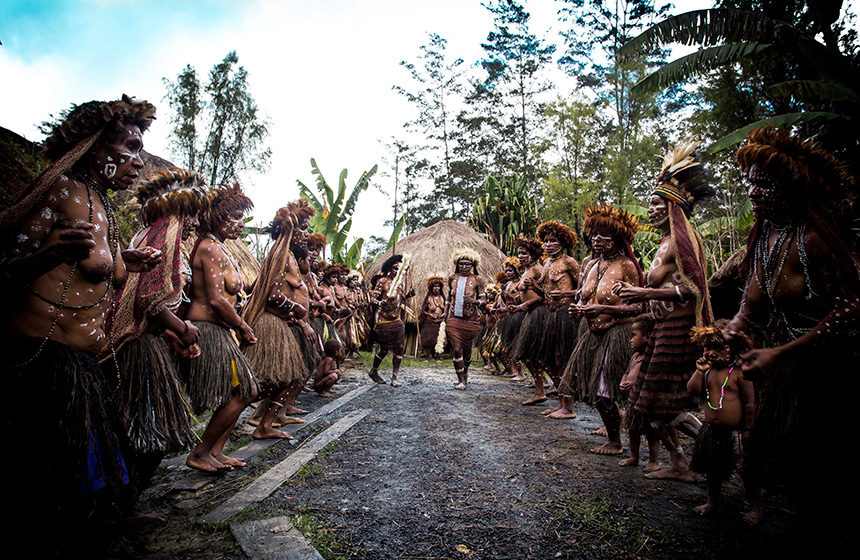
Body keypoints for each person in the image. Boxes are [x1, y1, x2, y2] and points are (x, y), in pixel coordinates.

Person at [0, 95, 161, 543]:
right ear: (96, 148)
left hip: (84, 361)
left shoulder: (104, 206)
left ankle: (103, 523)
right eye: (130, 148)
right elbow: (6, 266)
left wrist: (127, 259)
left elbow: (99, 271)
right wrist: (52, 253)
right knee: (53, 488)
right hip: (44, 361)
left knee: (106, 464)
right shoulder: (60, 191)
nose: (138, 162)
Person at [725, 127, 859, 538]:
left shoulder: (815, 238)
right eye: (750, 184)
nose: (754, 192)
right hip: (789, 366)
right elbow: (752, 292)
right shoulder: (765, 234)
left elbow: (851, 307)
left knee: (821, 468)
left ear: (789, 187)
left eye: (764, 184)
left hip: (831, 368)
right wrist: (737, 323)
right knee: (787, 467)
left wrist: (782, 352)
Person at [107, 169, 207, 492]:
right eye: (192, 214)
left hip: (140, 341)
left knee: (140, 431)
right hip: (136, 346)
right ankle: (123, 504)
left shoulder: (149, 233)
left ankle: (121, 503)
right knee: (153, 432)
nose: (194, 223)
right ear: (180, 209)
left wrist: (172, 335)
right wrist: (183, 329)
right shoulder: (165, 232)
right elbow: (148, 300)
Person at [619, 141, 714, 480]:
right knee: (647, 406)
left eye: (657, 203)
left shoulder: (682, 241)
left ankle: (717, 446)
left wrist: (642, 290)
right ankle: (680, 464)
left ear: (674, 206)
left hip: (678, 331)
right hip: (661, 331)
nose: (651, 209)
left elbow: (695, 288)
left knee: (666, 404)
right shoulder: (664, 242)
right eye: (650, 203)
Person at [179, 183, 258, 472]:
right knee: (243, 391)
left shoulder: (219, 247)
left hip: (220, 330)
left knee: (240, 391)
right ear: (219, 217)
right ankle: (200, 452)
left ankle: (216, 450)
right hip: (208, 329)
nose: (240, 223)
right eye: (235, 216)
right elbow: (214, 298)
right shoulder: (209, 247)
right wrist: (241, 326)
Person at [560, 205, 644, 452]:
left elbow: (638, 307)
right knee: (598, 392)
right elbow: (583, 297)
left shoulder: (627, 265)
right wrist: (579, 308)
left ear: (618, 238)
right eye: (594, 234)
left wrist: (606, 312)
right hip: (592, 335)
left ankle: (625, 441)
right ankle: (615, 439)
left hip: (617, 334)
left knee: (610, 390)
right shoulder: (593, 266)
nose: (597, 240)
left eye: (604, 235)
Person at [241, 199, 317, 440]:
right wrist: (296, 309)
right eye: (302, 228)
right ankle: (236, 415)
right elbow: (272, 295)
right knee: (271, 379)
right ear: (290, 229)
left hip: (284, 324)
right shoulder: (280, 255)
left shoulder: (290, 257)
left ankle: (265, 424)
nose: (306, 234)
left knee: (290, 377)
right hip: (272, 324)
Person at [687, 321, 761, 523]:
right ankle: (712, 502)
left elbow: (749, 404)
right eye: (707, 348)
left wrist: (748, 429)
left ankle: (756, 507)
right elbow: (692, 390)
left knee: (745, 469)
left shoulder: (740, 375)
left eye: (719, 348)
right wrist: (699, 371)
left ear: (734, 349)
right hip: (712, 431)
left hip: (736, 431)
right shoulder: (708, 372)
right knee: (713, 469)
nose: (711, 353)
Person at [525, 221, 580, 418]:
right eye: (546, 241)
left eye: (553, 241)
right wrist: (534, 286)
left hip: (565, 315)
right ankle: (561, 403)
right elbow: (544, 292)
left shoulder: (569, 262)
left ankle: (569, 407)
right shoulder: (547, 264)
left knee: (561, 359)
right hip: (550, 316)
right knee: (550, 360)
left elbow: (583, 290)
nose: (549, 244)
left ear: (563, 243)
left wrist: (568, 294)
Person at [618, 314, 661, 472]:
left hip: (645, 402)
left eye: (634, 336)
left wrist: (635, 384)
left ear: (648, 337)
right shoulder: (635, 356)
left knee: (651, 432)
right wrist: (623, 382)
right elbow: (627, 372)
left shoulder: (650, 359)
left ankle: (653, 460)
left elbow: (649, 379)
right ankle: (634, 457)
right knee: (633, 430)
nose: (630, 340)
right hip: (632, 402)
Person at [510, 237, 548, 403]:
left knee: (533, 353)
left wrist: (526, 303)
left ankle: (545, 388)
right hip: (528, 313)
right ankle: (539, 388)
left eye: (524, 254)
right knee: (526, 354)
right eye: (519, 253)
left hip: (538, 313)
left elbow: (546, 295)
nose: (520, 257)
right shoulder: (526, 270)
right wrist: (518, 302)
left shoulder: (539, 269)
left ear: (533, 255)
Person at [368, 254, 414, 386]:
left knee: (399, 348)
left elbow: (400, 298)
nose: (396, 271)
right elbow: (372, 299)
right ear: (390, 268)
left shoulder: (400, 283)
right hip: (383, 320)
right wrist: (379, 303)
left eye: (399, 268)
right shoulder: (382, 281)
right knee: (384, 349)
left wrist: (408, 295)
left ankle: (394, 378)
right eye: (394, 268)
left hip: (397, 320)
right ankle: (374, 371)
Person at [445, 248, 486, 390]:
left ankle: (465, 371)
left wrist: (473, 301)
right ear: (457, 264)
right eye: (461, 264)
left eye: (467, 265)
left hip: (471, 321)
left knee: (467, 351)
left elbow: (484, 301)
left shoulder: (477, 280)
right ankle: (461, 380)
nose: (464, 267)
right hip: (454, 319)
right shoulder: (452, 278)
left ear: (472, 265)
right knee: (456, 349)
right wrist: (445, 314)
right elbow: (449, 298)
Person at [494, 256, 526, 381]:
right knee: (508, 347)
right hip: (508, 318)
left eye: (510, 271)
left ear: (517, 271)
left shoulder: (520, 284)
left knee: (515, 346)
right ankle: (519, 371)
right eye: (506, 271)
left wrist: (511, 300)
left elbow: (521, 301)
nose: (508, 273)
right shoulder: (508, 284)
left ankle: (522, 373)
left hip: (517, 316)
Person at [419, 274, 446, 361]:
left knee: (439, 339)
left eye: (438, 287)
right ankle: (427, 357)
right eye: (435, 287)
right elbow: (423, 311)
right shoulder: (429, 298)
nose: (436, 289)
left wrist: (444, 315)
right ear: (431, 288)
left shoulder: (443, 298)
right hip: (429, 322)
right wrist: (429, 315)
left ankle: (437, 356)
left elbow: (446, 309)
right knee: (428, 340)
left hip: (439, 323)